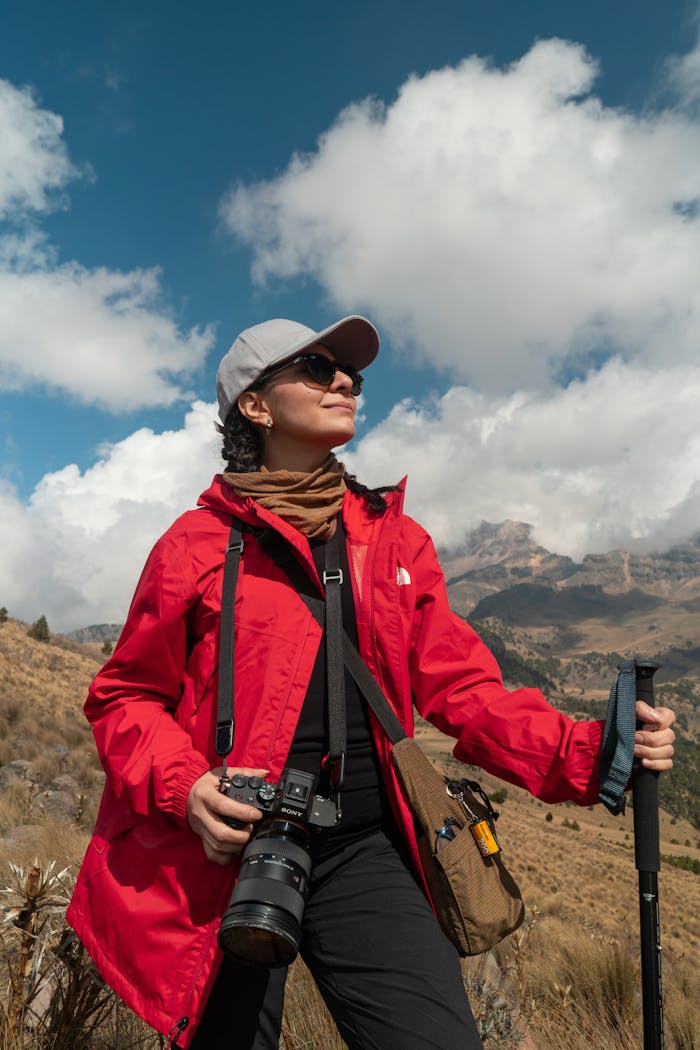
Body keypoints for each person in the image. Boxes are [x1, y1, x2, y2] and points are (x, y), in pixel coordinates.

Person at [67, 314, 676, 1050]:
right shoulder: (192, 547)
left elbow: (466, 692)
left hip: (365, 847)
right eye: (318, 369)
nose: (345, 382)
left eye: (350, 372)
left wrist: (594, 749)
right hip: (228, 854)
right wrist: (184, 787)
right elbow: (125, 698)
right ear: (255, 406)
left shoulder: (393, 540)